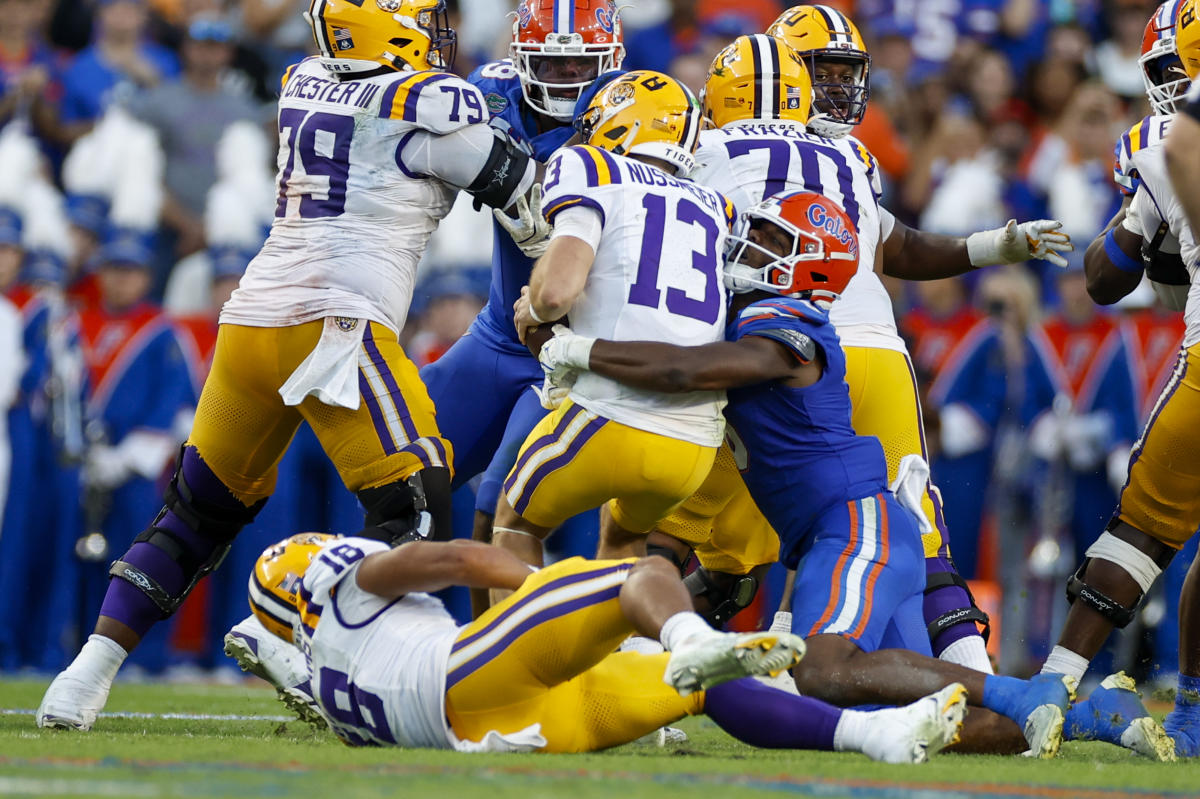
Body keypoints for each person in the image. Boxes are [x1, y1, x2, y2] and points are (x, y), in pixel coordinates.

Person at [37, 0, 539, 730]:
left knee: (194, 513)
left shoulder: (304, 79)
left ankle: (84, 677)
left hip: (250, 324)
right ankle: (304, 635)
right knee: (417, 506)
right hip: (338, 328)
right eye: (424, 24)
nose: (438, 38)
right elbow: (519, 186)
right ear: (391, 31)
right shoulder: (430, 101)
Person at [534, 189, 1077, 758]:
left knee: (820, 672)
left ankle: (1020, 693)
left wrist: (580, 350)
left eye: (774, 238)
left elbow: (681, 369)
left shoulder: (789, 320)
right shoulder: (748, 315)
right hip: (845, 532)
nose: (752, 242)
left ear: (811, 265)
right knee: (907, 714)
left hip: (854, 526)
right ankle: (1092, 721)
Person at [652, 18, 1071, 670]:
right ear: (792, 80)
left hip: (775, 352)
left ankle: (641, 664)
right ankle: (984, 685)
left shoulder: (705, 153)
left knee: (693, 531)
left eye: (846, 73)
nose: (839, 87)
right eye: (823, 72)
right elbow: (894, 245)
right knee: (921, 531)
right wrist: (990, 246)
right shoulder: (850, 158)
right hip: (876, 347)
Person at [244, 530, 967, 762]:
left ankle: (877, 733)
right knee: (643, 577)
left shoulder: (326, 682)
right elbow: (456, 559)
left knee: (700, 686)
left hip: (499, 729)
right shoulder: (344, 584)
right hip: (465, 672)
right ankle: (692, 635)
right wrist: (550, 588)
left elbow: (276, 654)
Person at [419, 0, 624, 616]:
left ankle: (497, 662)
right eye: (550, 65)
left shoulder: (635, 114)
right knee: (400, 473)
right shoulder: (489, 93)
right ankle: (371, 635)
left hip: (571, 349)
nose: (564, 78)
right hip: (497, 332)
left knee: (501, 510)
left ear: (610, 60)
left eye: (577, 66)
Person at [494, 70, 730, 573]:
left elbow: (557, 292)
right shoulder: (716, 203)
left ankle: (515, 651)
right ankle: (629, 650)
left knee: (513, 525)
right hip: (696, 445)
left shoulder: (589, 166)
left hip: (613, 415)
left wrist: (532, 310)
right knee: (622, 540)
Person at [1046, 0, 1200, 760]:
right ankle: (1195, 709)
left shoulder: (1167, 139)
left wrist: (1130, 227)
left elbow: (1107, 280)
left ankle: (1054, 681)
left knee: (1142, 529)